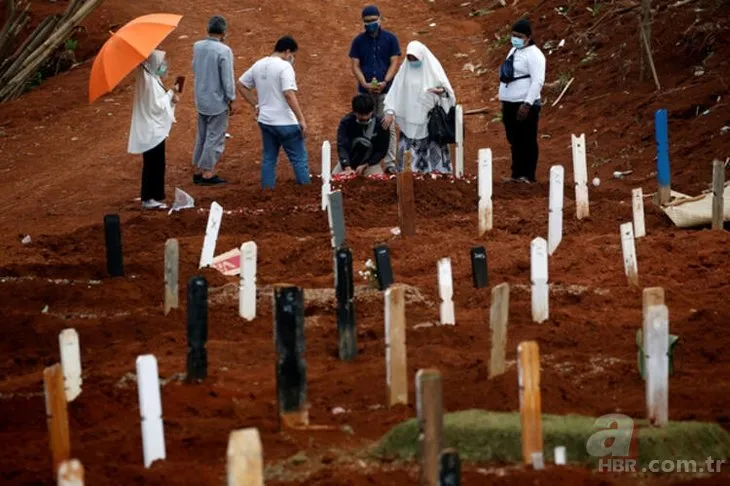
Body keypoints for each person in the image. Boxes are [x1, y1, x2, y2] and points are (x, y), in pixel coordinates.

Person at [237, 36, 310, 189]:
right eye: (293, 55)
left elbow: (241, 84)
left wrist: (257, 105)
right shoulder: (285, 67)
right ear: (287, 52)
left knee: (269, 159)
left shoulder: (259, 64)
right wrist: (301, 119)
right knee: (298, 159)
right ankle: (306, 191)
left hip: (266, 121)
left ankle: (267, 192)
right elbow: (289, 94)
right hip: (286, 123)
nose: (293, 59)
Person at [383, 41, 455, 174]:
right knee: (409, 163)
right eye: (409, 58)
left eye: (415, 58)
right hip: (409, 122)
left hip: (430, 123)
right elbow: (395, 91)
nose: (412, 61)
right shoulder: (404, 72)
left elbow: (448, 93)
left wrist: (440, 92)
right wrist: (390, 110)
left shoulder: (433, 70)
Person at [349, 5, 401, 174]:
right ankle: (366, 159)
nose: (370, 24)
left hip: (387, 90)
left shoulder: (390, 39)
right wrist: (364, 83)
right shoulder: (358, 41)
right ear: (363, 22)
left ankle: (390, 162)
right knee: (365, 124)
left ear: (380, 19)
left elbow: (394, 61)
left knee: (388, 124)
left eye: (373, 20)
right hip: (366, 92)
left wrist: (386, 81)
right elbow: (355, 65)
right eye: (367, 21)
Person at [127, 50, 179, 210]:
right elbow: (156, 105)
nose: (163, 65)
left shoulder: (151, 78)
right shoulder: (148, 81)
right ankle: (150, 197)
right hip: (152, 131)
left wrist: (171, 96)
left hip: (152, 130)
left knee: (155, 162)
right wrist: (172, 92)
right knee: (154, 163)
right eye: (161, 62)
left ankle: (152, 195)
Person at [498, 18, 546, 183]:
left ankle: (528, 174)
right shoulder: (514, 51)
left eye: (518, 36)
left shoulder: (535, 55)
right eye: (513, 35)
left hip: (524, 104)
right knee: (514, 140)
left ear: (528, 37)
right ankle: (516, 174)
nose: (515, 39)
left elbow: (537, 81)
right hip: (510, 103)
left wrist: (527, 104)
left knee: (527, 139)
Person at [191, 15, 235, 186]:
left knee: (201, 135)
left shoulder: (197, 46)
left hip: (201, 98)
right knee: (215, 137)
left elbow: (194, 67)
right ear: (224, 32)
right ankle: (208, 172)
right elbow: (227, 79)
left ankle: (197, 169)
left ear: (207, 30)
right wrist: (231, 98)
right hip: (217, 101)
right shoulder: (224, 51)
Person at [333, 94, 390, 177]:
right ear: (354, 112)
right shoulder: (346, 123)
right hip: (349, 163)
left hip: (370, 164)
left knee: (378, 181)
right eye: (361, 115)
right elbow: (342, 146)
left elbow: (382, 150)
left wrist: (366, 164)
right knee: (334, 180)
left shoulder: (381, 125)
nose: (365, 117)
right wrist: (347, 167)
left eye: (367, 114)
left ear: (372, 111)